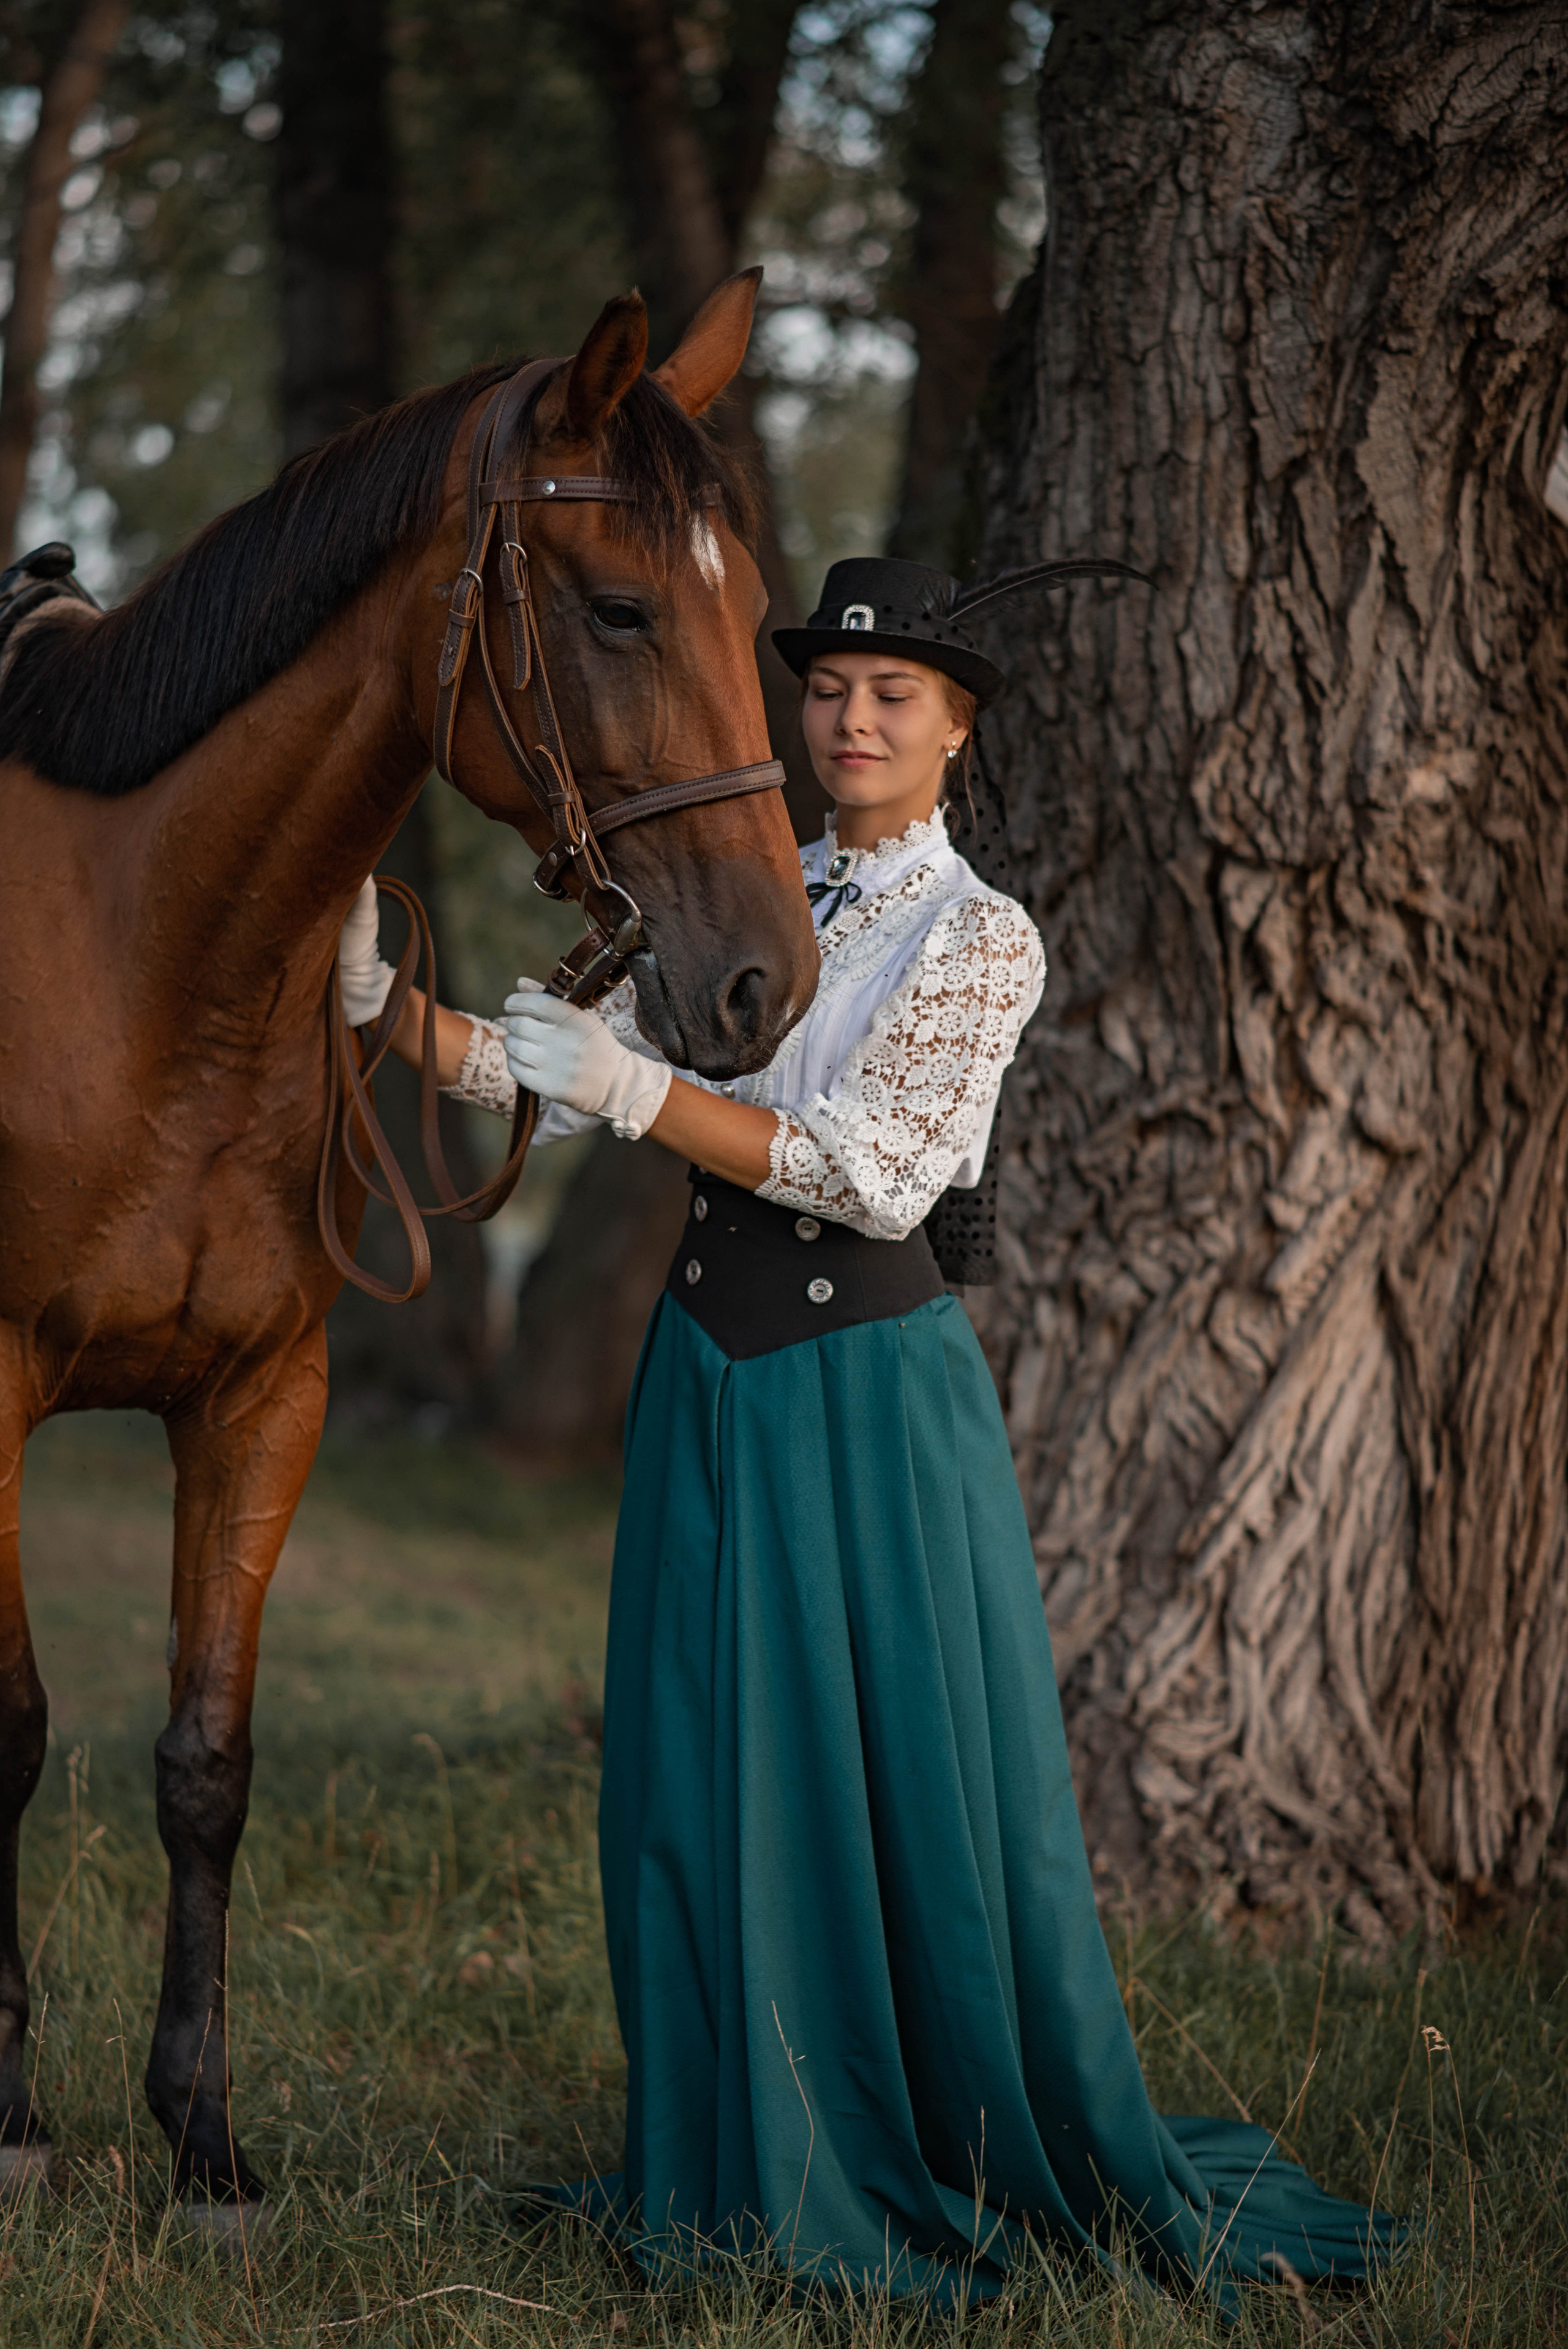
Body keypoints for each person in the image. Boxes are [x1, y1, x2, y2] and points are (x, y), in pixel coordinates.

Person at [337, 556, 1398, 2307]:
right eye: (828, 688)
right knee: (696, 1777)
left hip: (869, 1393)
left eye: (892, 692)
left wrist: (641, 1093)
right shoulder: (739, 889)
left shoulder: (979, 935)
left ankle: (907, 2147)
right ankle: (725, 2151)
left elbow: (877, 1172)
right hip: (708, 1376)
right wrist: (389, 1009)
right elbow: (539, 1067)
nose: (851, 716)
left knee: (887, 1793)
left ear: (955, 728)